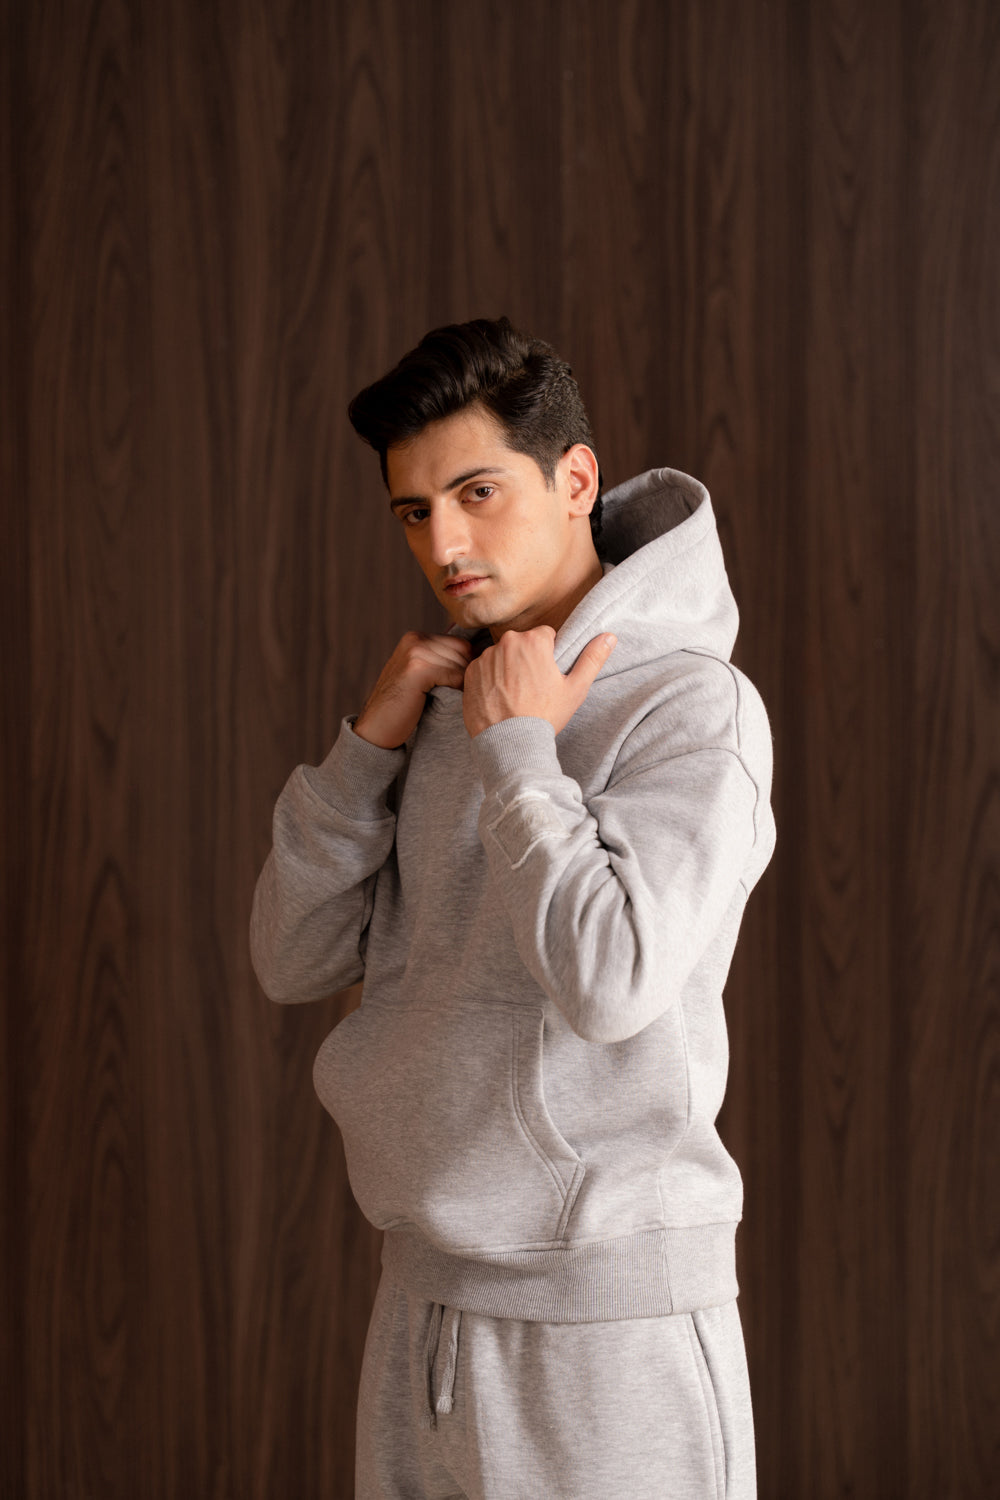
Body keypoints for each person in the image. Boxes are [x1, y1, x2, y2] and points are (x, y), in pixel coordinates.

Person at [250, 316, 775, 1499]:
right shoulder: (452, 701)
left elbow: (611, 980)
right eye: (413, 511)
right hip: (423, 1300)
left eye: (476, 493)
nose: (444, 544)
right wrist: (366, 750)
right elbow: (291, 958)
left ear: (574, 479)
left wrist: (523, 755)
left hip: (609, 1328)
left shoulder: (694, 706)